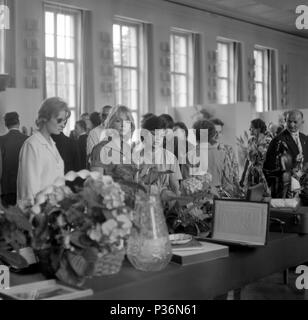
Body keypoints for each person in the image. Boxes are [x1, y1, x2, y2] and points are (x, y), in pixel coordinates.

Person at [17, 97, 70, 207]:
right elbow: (28, 189)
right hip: (38, 213)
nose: (63, 125)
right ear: (45, 118)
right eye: (59, 120)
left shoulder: (51, 143)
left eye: (65, 121)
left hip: (54, 210)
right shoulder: (32, 144)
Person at [263, 110, 308, 198]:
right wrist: (289, 170)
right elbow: (268, 167)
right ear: (285, 121)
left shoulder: (305, 139)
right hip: (285, 189)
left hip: (304, 188)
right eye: (289, 121)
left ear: (302, 122)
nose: (291, 125)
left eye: (295, 122)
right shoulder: (277, 141)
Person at [189, 119, 228, 192]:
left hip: (198, 197)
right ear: (212, 134)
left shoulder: (190, 155)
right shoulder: (222, 153)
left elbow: (187, 184)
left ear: (195, 134)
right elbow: (226, 180)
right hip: (218, 195)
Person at [0, 112, 28, 207]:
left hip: (6, 187)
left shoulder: (1, 140)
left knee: (8, 219)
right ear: (18, 122)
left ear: (6, 124)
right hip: (24, 186)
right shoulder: (27, 139)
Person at [240, 119, 271, 197]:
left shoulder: (268, 140)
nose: (249, 129)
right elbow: (247, 159)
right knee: (250, 196)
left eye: (252, 128)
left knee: (264, 196)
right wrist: (243, 175)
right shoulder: (251, 141)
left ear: (258, 129)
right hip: (251, 173)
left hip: (264, 173)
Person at [210, 118, 241, 196]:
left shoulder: (229, 150)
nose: (217, 135)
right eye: (215, 132)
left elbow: (235, 171)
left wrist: (236, 189)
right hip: (211, 193)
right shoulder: (203, 152)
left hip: (229, 192)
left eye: (219, 132)